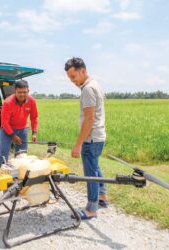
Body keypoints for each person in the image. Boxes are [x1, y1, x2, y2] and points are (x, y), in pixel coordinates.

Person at [64, 57, 108, 220]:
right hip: (98, 137)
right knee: (95, 167)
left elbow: (89, 119)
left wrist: (78, 144)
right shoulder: (94, 85)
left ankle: (91, 209)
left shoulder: (88, 89)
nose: (72, 81)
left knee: (90, 173)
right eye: (70, 78)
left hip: (91, 138)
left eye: (73, 77)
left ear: (83, 71)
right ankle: (102, 196)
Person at [0, 80, 38, 167]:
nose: (22, 95)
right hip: (7, 129)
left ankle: (19, 174)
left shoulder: (32, 101)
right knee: (4, 151)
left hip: (23, 129)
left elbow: (34, 117)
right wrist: (13, 136)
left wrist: (34, 132)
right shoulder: (8, 102)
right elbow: (4, 122)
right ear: (15, 91)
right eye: (19, 92)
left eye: (24, 92)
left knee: (21, 154)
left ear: (28, 91)